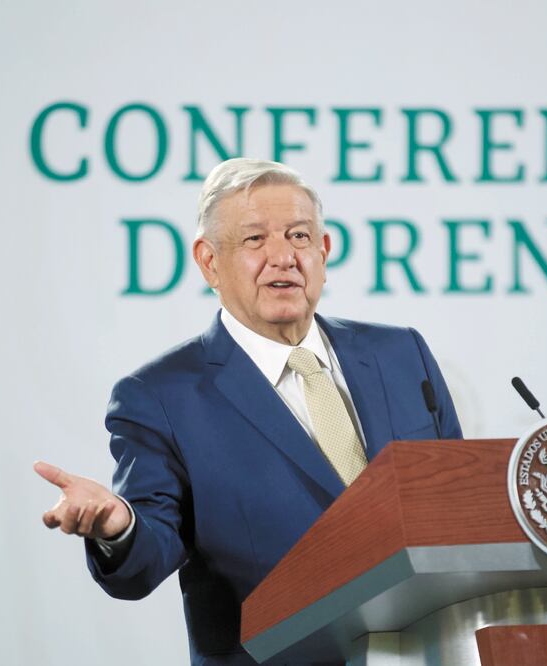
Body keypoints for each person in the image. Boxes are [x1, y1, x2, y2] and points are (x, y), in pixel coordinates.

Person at [35, 158, 462, 665]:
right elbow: (145, 559)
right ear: (209, 262)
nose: (283, 257)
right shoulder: (160, 397)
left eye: (299, 236)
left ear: (323, 251)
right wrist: (118, 526)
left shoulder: (402, 354)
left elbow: (459, 510)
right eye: (255, 239)